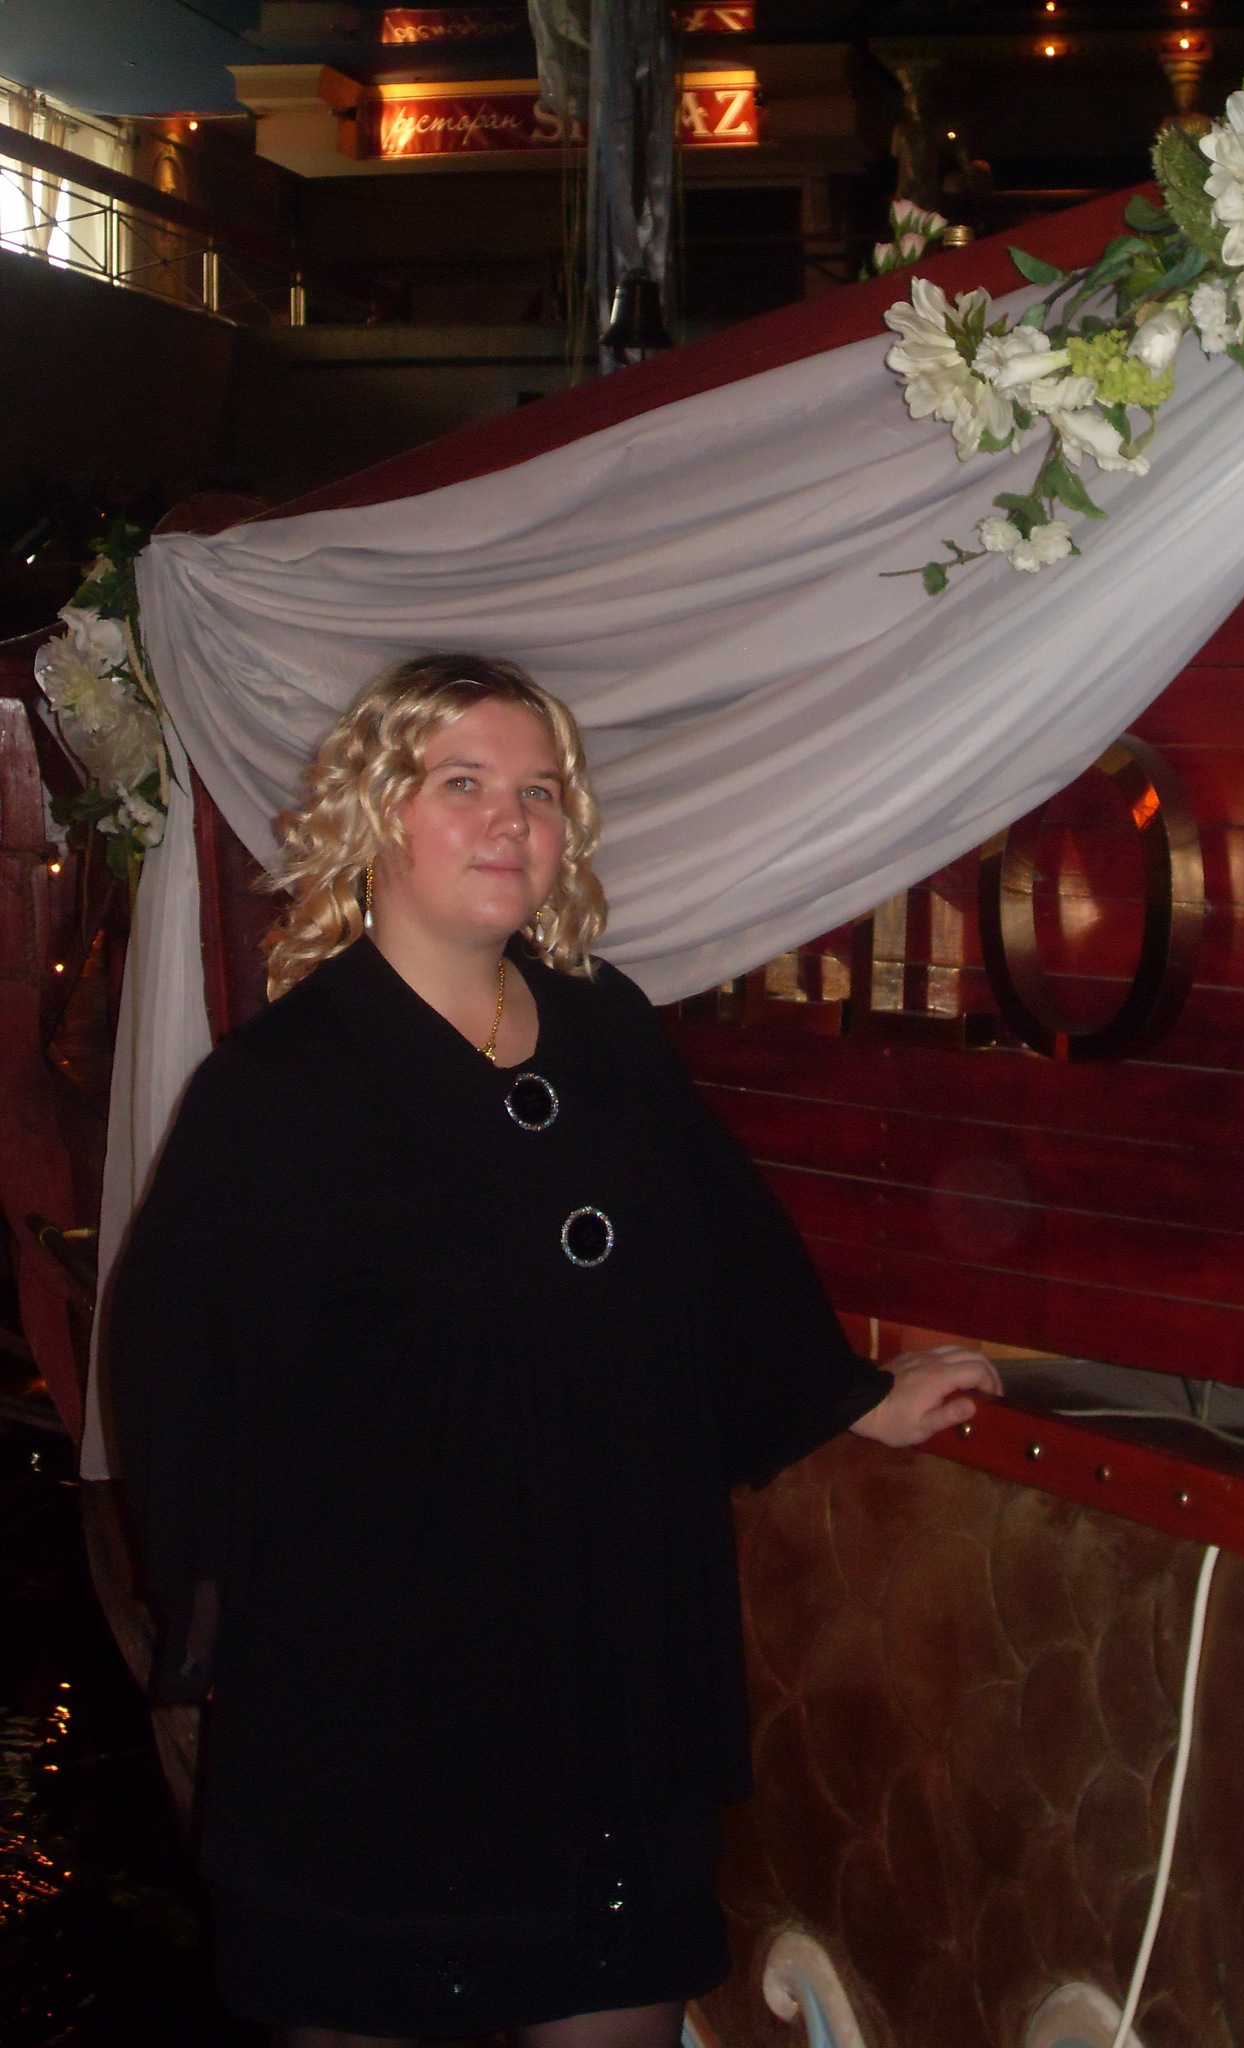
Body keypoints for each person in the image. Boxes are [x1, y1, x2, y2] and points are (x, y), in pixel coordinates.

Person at [108, 653, 1001, 2048]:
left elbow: (721, 1249)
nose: (508, 820)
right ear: (376, 815)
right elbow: (178, 1369)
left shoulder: (605, 1027)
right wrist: (221, 1623)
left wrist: (848, 1399)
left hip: (607, 1670)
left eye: (537, 792)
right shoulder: (279, 1088)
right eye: (461, 783)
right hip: (380, 1699)